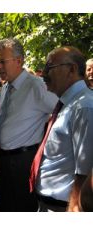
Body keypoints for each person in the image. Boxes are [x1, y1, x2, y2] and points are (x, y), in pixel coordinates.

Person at [0, 38, 58, 212]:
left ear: (18, 61)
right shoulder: (4, 88)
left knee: (22, 208)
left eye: (2, 61)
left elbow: (62, 111)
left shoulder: (37, 86)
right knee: (4, 206)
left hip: (23, 162)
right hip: (2, 160)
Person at [31, 46, 93, 212]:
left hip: (63, 207)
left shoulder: (84, 107)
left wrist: (74, 209)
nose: (44, 73)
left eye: (49, 68)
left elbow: (85, 172)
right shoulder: (68, 103)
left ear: (71, 69)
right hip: (48, 204)